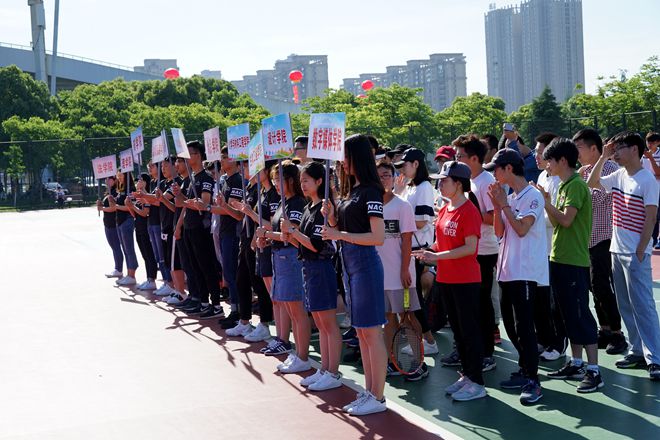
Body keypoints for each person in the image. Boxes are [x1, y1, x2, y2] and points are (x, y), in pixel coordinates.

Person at [322, 134, 388, 416]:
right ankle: (369, 391)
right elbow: (348, 229)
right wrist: (333, 217)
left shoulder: (371, 191)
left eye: (345, 156)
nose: (341, 162)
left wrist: (338, 233)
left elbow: (377, 237)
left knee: (371, 333)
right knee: (361, 332)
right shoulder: (353, 191)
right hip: (351, 268)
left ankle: (378, 395)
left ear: (356, 157)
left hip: (366, 267)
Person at [587, 131, 660, 381]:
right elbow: (592, 183)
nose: (615, 152)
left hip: (635, 253)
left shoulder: (647, 180)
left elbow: (651, 217)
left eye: (619, 148)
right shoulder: (617, 175)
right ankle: (637, 350)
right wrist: (603, 156)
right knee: (626, 304)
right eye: (614, 148)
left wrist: (641, 249)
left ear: (635, 150)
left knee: (644, 305)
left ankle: (656, 357)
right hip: (616, 251)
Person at [533, 138, 602, 394]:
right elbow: (558, 219)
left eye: (550, 160)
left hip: (573, 261)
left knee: (581, 314)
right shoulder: (563, 187)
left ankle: (594, 370)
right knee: (567, 314)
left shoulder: (575, 187)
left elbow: (567, 220)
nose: (546, 165)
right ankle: (576, 362)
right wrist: (549, 200)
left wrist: (545, 202)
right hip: (559, 258)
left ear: (562, 160)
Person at [412, 160, 485, 402]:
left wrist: (436, 256)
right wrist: (426, 251)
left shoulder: (469, 211)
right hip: (447, 279)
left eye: (444, 181)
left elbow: (470, 248)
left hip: (466, 280)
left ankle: (477, 381)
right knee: (458, 332)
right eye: (439, 180)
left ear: (459, 184)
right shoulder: (444, 209)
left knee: (469, 331)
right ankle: (467, 375)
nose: (440, 184)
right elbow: (442, 244)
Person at [485, 149, 547, 404]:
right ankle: (524, 370)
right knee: (511, 326)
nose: (494, 175)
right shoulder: (509, 196)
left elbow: (522, 229)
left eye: (497, 169)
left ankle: (533, 379)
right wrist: (499, 205)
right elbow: (499, 231)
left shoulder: (532, 195)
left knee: (525, 327)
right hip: (506, 268)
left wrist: (504, 205)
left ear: (509, 169)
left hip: (525, 271)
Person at [282, 161, 343, 391]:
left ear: (320, 181)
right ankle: (325, 369)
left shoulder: (324, 210)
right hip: (308, 267)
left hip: (322, 268)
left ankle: (332, 371)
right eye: (301, 180)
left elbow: (317, 245)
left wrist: (294, 231)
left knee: (327, 322)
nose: (302, 184)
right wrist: (290, 233)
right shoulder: (309, 207)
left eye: (306, 180)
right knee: (318, 319)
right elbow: (303, 243)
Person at [574, 128, 627, 354]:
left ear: (594, 148)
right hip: (587, 238)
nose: (577, 153)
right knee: (593, 287)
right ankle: (604, 329)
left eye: (579, 148)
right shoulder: (582, 172)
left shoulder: (610, 169)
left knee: (602, 285)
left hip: (604, 236)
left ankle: (617, 333)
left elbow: (594, 199)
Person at [256, 161, 310, 373]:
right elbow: (281, 233)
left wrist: (268, 235)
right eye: (273, 179)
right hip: (279, 257)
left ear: (290, 180)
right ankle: (296, 352)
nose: (275, 184)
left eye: (279, 179)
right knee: (288, 306)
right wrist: (267, 239)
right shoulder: (282, 202)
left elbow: (293, 235)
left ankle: (302, 356)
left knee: (297, 310)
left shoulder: (296, 203)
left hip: (291, 259)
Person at [376, 161, 426, 381]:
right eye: (378, 176)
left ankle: (420, 363)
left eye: (386, 175)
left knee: (408, 318)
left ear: (394, 177)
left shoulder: (402, 206)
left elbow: (407, 241)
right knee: (388, 319)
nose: (383, 179)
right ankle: (393, 361)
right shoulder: (373, 207)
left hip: (401, 275)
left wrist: (405, 269)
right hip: (380, 276)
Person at [454, 134, 499, 373]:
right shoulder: (463, 180)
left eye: (460, 156)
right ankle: (466, 348)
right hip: (465, 250)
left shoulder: (486, 182)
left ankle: (487, 353)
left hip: (484, 250)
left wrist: (467, 210)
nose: (456, 159)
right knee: (465, 305)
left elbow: (493, 218)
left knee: (481, 303)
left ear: (474, 158)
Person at [393, 148, 439, 355]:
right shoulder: (411, 188)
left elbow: (421, 222)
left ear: (416, 164)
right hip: (406, 249)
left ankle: (428, 341)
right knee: (408, 300)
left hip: (417, 250)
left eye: (405, 164)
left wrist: (399, 221)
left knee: (413, 300)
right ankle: (419, 339)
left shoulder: (424, 187)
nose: (402, 169)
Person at [224, 161, 273, 342]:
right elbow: (241, 215)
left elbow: (260, 218)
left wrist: (253, 238)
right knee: (241, 281)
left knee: (259, 284)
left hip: (256, 242)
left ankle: (265, 323)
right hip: (245, 241)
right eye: (245, 167)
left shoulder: (266, 193)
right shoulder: (252, 190)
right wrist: (226, 205)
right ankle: (245, 321)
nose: (246, 170)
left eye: (249, 167)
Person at [533, 133, 568, 361]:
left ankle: (558, 343)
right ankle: (545, 340)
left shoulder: (560, 181)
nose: (537, 156)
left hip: (554, 248)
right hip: (539, 249)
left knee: (556, 301)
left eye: (541, 152)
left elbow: (555, 217)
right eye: (536, 152)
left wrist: (536, 211)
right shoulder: (542, 176)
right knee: (541, 299)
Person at [181, 141, 225, 319]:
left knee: (206, 267)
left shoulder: (205, 178)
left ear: (198, 155)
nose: (186, 158)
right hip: (190, 227)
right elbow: (186, 202)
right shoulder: (192, 178)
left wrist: (194, 204)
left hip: (201, 229)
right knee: (195, 267)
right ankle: (203, 301)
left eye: (190, 154)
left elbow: (204, 203)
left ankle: (216, 304)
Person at [126, 173, 158, 291]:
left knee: (149, 254)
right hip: (138, 228)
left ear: (145, 182)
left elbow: (145, 213)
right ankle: (148, 277)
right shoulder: (138, 196)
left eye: (139, 180)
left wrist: (134, 207)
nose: (137, 183)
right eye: (136, 181)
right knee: (145, 255)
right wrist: (129, 206)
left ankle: (152, 279)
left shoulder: (147, 196)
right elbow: (135, 214)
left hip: (146, 228)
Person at [108, 171, 138, 286]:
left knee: (129, 249)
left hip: (127, 220)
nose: (119, 177)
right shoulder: (120, 189)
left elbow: (130, 207)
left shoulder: (130, 188)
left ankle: (132, 274)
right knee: (125, 249)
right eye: (117, 175)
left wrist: (116, 206)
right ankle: (128, 274)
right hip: (119, 222)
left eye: (121, 175)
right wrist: (113, 201)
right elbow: (119, 204)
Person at [97, 176, 123, 278]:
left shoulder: (116, 192)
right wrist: (100, 205)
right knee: (113, 247)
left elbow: (113, 208)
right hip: (107, 223)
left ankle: (118, 268)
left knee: (116, 246)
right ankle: (117, 267)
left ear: (115, 179)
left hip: (114, 223)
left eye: (109, 178)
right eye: (105, 179)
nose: (106, 181)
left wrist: (102, 208)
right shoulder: (108, 191)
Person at [642, 132, 660, 248]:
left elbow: (658, 172)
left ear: (658, 143)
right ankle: (653, 239)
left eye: (653, 142)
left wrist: (651, 158)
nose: (650, 144)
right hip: (648, 189)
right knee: (651, 215)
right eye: (648, 142)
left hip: (659, 189)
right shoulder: (643, 155)